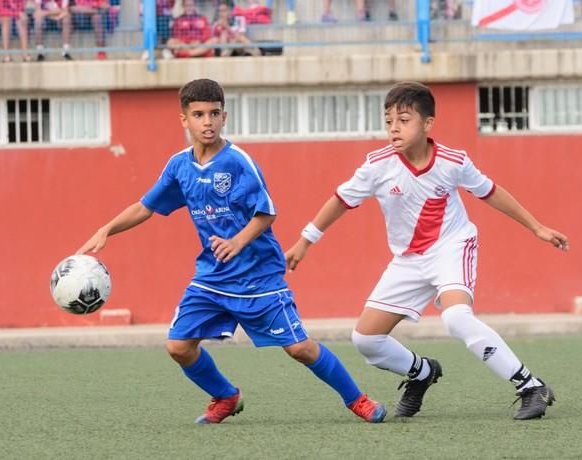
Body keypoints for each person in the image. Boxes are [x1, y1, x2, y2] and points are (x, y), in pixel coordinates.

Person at [77, 78, 386, 425]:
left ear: (224, 116)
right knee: (179, 347)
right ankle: (226, 396)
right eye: (198, 114)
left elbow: (267, 212)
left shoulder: (238, 162)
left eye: (213, 114)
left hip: (258, 275)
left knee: (299, 348)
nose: (206, 121)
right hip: (212, 276)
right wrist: (106, 230)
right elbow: (146, 206)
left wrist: (238, 242)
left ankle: (357, 400)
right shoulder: (179, 166)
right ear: (184, 120)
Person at [285, 81, 568, 421]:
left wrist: (537, 227)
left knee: (456, 317)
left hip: (452, 247)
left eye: (403, 119)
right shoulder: (377, 166)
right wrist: (305, 240)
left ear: (428, 124)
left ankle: (530, 386)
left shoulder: (452, 161)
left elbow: (491, 192)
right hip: (408, 260)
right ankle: (421, 372)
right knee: (365, 339)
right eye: (388, 120)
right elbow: (340, 201)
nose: (393, 127)